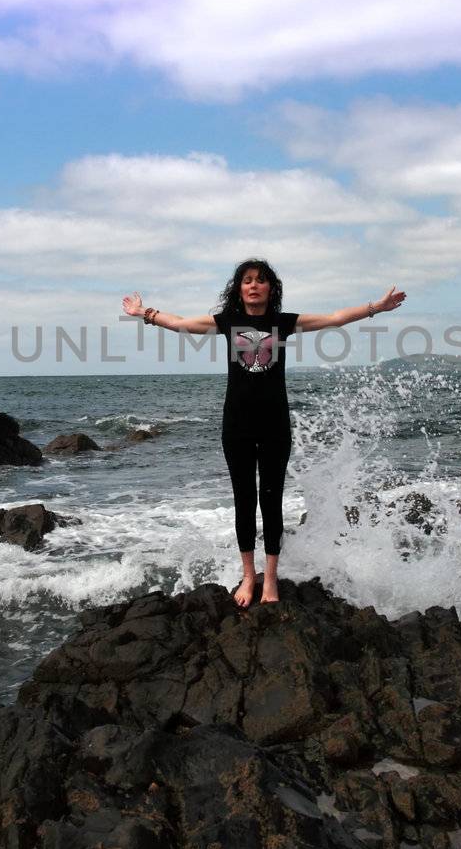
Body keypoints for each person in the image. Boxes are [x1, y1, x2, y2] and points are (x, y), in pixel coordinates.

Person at [122, 261, 405, 609]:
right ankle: (247, 574)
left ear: (271, 288)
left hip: (275, 424)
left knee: (271, 501)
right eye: (247, 281)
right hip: (236, 424)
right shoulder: (226, 322)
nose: (254, 286)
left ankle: (270, 577)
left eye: (261, 281)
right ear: (239, 288)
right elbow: (180, 323)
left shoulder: (283, 323)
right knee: (244, 499)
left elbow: (334, 317)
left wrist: (377, 306)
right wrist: (143, 313)